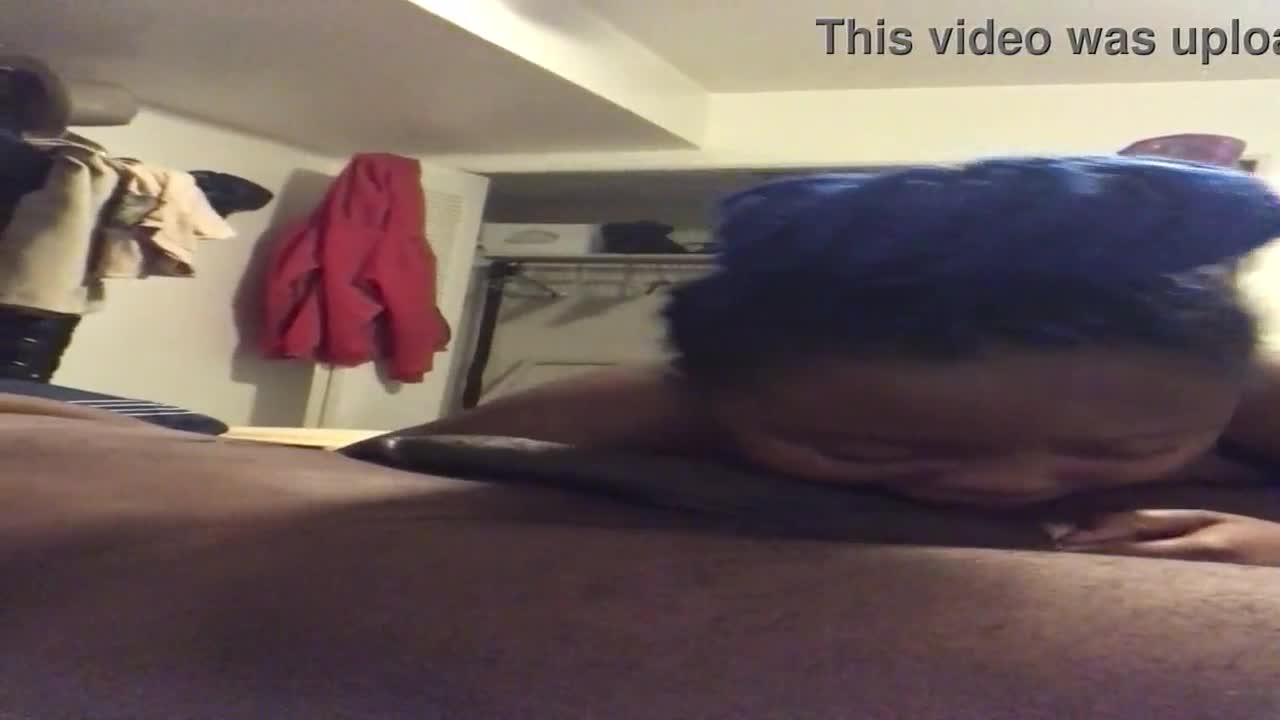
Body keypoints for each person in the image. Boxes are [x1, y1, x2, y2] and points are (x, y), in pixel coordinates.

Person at [397, 156, 1280, 566]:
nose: (1006, 483)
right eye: (865, 449)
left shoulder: (1255, 395)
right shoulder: (654, 405)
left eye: (1122, 449)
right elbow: (397, 474)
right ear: (714, 398)